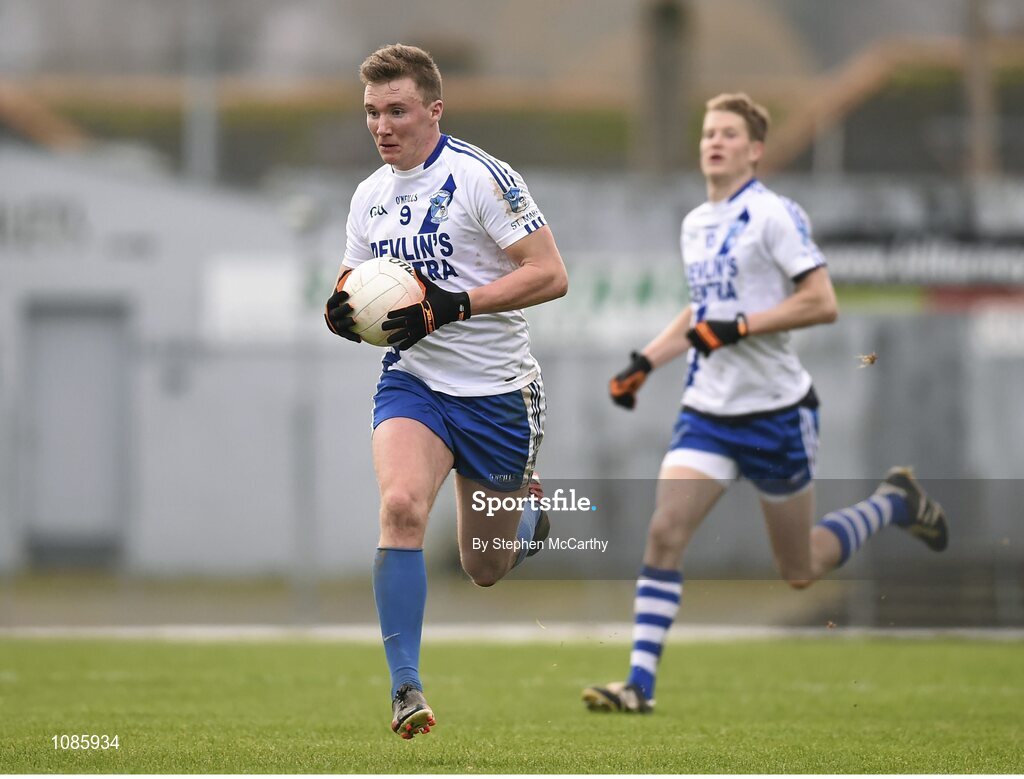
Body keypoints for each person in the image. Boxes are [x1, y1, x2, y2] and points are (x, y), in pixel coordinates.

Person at [581, 93, 948, 714]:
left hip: (777, 413)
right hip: (707, 412)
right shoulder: (695, 222)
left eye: (728, 133)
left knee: (799, 567)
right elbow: (703, 310)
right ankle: (638, 686)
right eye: (707, 133)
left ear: (754, 150)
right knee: (665, 531)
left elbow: (822, 301)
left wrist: (744, 327)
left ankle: (893, 501)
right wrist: (644, 362)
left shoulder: (775, 215)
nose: (714, 142)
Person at [323, 44, 568, 738]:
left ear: (434, 109)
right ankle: (405, 687)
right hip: (416, 382)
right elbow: (353, 284)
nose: (382, 125)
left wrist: (454, 303)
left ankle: (528, 519)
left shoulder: (482, 179)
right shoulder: (370, 195)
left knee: (483, 567)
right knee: (400, 506)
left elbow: (550, 274)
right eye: (372, 112)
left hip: (496, 394)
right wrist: (338, 312)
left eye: (396, 110)